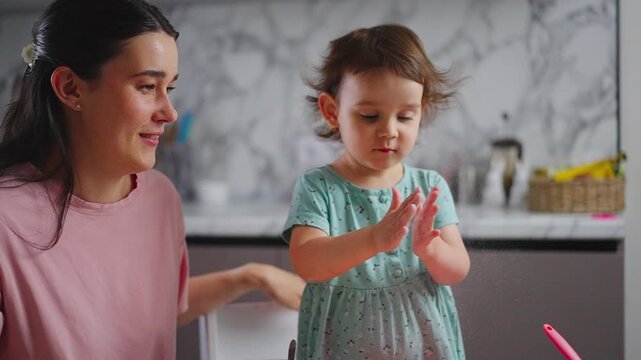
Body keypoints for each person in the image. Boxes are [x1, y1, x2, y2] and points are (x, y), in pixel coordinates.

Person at [0, 0, 304, 359]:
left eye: (169, 89)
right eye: (147, 87)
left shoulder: (160, 198)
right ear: (70, 88)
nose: (169, 112)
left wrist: (250, 277)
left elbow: (151, 313)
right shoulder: (7, 218)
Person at [282, 24, 470, 359]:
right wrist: (372, 239)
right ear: (331, 112)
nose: (389, 130)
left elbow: (456, 269)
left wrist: (431, 249)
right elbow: (307, 262)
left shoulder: (430, 188)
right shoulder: (318, 187)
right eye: (370, 116)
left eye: (405, 116)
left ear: (421, 112)